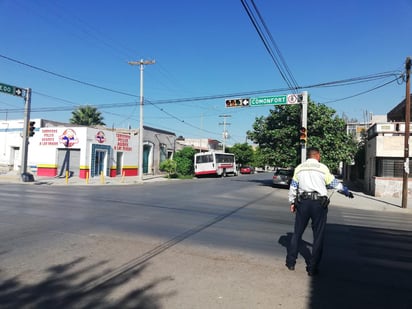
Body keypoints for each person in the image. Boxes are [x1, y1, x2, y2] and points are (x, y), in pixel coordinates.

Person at [285, 147, 353, 276]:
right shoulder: (322, 168)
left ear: (309, 156)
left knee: (297, 233)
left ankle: (290, 262)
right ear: (317, 155)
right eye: (319, 155)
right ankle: (312, 268)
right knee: (318, 236)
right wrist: (345, 191)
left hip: (302, 203)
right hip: (318, 205)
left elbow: (293, 187)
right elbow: (334, 184)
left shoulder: (299, 168)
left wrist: (292, 202)